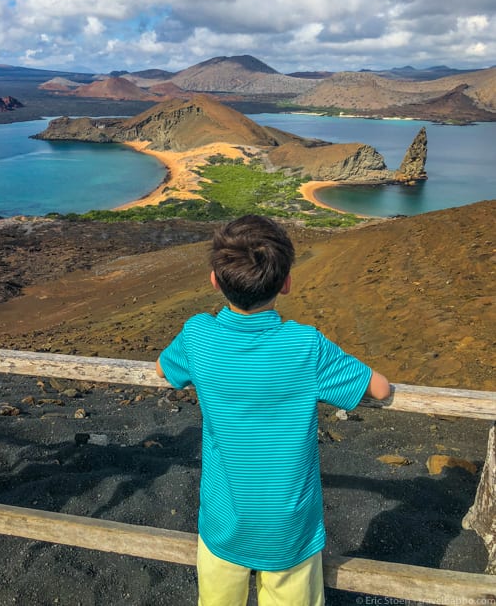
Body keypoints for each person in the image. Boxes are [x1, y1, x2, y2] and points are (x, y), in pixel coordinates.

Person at [156, 214, 390, 606]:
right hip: (289, 530)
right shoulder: (305, 346)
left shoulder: (197, 334)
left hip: (223, 522)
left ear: (215, 280)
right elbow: (380, 389)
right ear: (286, 284)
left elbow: (165, 368)